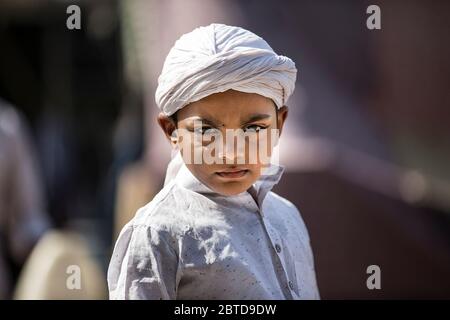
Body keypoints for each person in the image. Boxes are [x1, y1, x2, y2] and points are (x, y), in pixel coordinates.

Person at [107, 23, 320, 300]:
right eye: (207, 131)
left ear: (279, 124)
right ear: (171, 131)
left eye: (254, 129)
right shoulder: (157, 234)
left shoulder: (287, 217)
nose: (231, 153)